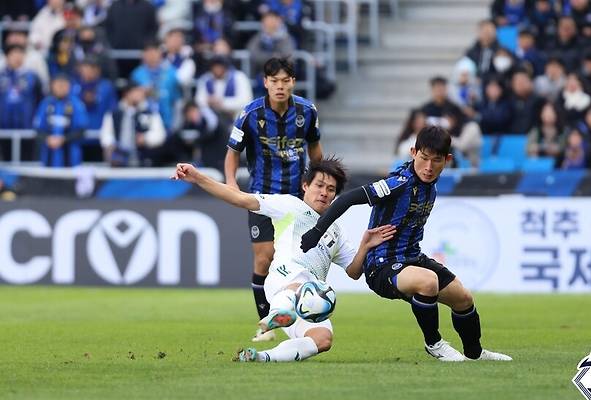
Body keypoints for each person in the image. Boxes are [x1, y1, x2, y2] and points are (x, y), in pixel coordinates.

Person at [300, 126, 512, 362]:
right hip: (381, 266)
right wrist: (317, 231)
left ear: (447, 160)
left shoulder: (429, 184)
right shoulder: (397, 183)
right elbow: (349, 198)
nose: (429, 167)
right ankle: (434, 343)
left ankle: (475, 353)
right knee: (428, 282)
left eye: (436, 160)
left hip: (412, 258)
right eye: (423, 158)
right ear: (413, 152)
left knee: (463, 298)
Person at [172, 158, 395, 362]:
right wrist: (198, 177)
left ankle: (261, 357)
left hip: (307, 302)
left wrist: (365, 246)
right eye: (319, 185)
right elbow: (240, 198)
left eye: (331, 189)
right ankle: (278, 313)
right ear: (305, 186)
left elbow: (354, 272)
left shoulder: (336, 230)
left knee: (323, 339)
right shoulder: (289, 205)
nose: (324, 193)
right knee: (302, 282)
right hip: (283, 281)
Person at [224, 57, 323, 342]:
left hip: (296, 199)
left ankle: (301, 319)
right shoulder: (250, 114)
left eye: (285, 80)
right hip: (261, 197)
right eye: (274, 81)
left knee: (298, 262)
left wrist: (321, 184)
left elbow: (316, 151)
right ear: (265, 83)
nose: (279, 86)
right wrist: (232, 185)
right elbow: (232, 153)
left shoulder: (307, 112)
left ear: (293, 82)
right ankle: (265, 324)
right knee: (264, 260)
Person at [33, 74, 89, 167]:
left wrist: (64, 139)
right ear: (52, 86)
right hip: (48, 158)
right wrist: (48, 139)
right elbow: (38, 128)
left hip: (71, 160)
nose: (61, 87)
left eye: (64, 85)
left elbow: (81, 129)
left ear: (69, 86)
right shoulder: (46, 103)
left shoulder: (76, 104)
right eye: (58, 84)